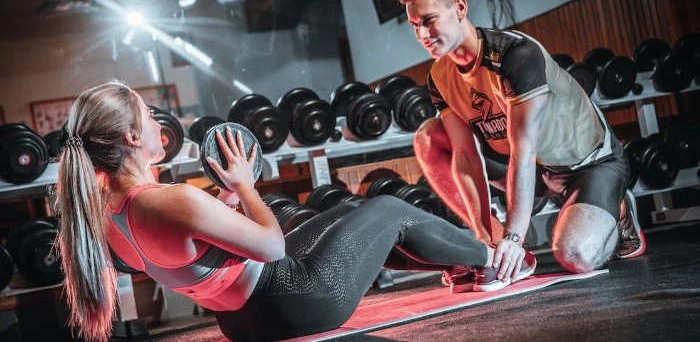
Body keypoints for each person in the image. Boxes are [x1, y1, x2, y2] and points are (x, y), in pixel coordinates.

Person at [54, 81, 536, 342]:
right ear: (132, 138)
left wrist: (224, 200)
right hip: (296, 299)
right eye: (147, 113)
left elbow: (196, 257)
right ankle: (494, 260)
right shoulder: (170, 199)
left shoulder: (106, 214)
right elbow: (270, 245)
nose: (160, 121)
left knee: (342, 214)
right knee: (390, 209)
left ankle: (457, 264)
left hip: (243, 324)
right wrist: (245, 186)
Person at [398, 0, 645, 290]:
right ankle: (498, 249)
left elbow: (523, 153)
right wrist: (487, 242)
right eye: (415, 26)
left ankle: (618, 207)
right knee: (429, 138)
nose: (422, 35)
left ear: (459, 8)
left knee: (575, 255)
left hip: (586, 166)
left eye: (429, 21)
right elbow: (465, 156)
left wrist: (515, 235)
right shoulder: (440, 76)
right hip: (527, 168)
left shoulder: (515, 55)